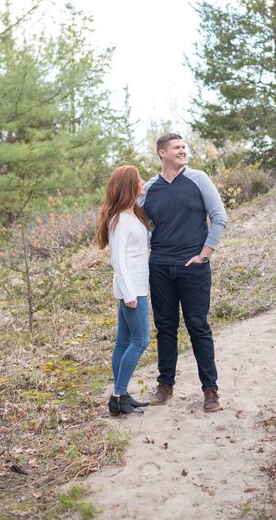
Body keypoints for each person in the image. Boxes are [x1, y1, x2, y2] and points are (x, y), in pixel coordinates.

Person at [140, 133, 228, 412]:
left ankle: (210, 390)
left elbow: (219, 217)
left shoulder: (199, 179)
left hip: (194, 268)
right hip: (160, 267)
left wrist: (204, 255)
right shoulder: (148, 189)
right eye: (176, 148)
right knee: (165, 328)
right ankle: (165, 385)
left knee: (198, 327)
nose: (183, 151)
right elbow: (141, 230)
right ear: (161, 153)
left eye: (183, 147)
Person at [97, 165, 152, 416]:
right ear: (130, 186)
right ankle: (118, 395)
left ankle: (121, 397)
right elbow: (118, 260)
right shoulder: (119, 220)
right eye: (138, 180)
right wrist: (130, 294)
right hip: (132, 289)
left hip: (136, 285)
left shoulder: (132, 214)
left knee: (122, 342)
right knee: (140, 341)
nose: (142, 182)